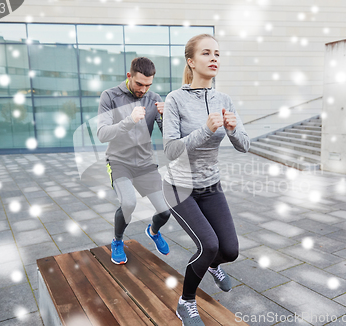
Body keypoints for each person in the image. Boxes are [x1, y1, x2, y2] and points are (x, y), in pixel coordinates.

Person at [162, 34, 250, 325]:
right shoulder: (175, 99)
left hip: (210, 185)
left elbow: (244, 145)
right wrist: (204, 130)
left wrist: (234, 129)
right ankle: (185, 301)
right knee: (209, 245)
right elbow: (171, 150)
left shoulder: (223, 100)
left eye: (217, 54)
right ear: (191, 61)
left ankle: (213, 267)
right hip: (178, 187)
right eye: (206, 53)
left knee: (230, 251)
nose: (214, 58)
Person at [97, 57, 171, 264]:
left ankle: (153, 232)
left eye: (148, 85)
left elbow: (168, 135)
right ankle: (117, 240)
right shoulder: (110, 96)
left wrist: (167, 118)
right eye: (139, 84)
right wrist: (129, 120)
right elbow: (102, 134)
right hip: (120, 162)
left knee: (165, 211)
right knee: (128, 203)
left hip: (146, 164)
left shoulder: (153, 98)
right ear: (129, 76)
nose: (143, 90)